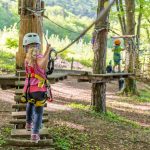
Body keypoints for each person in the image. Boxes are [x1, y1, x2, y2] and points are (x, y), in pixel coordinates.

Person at [22, 33, 52, 143]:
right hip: (39, 90)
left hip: (29, 89)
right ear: (38, 45)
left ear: (25, 46)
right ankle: (35, 134)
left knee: (30, 104)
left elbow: (38, 61)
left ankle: (29, 123)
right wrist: (48, 52)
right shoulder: (37, 57)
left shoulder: (28, 58)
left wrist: (46, 50)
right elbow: (42, 65)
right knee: (39, 112)